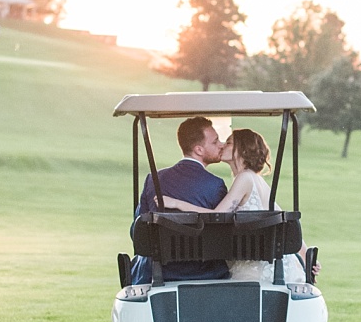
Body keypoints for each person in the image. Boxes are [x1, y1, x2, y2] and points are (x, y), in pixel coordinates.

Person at [158, 127, 317, 285]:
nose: (222, 145)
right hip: (259, 264)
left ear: (243, 149)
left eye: (228, 143)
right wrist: (306, 258)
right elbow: (285, 223)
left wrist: (176, 203)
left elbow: (215, 216)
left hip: (257, 271)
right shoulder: (253, 179)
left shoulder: (245, 178)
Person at [128, 116, 231, 284]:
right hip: (205, 273)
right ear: (199, 150)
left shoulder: (154, 179)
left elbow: (137, 232)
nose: (221, 144)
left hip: (158, 273)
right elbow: (221, 236)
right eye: (215, 141)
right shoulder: (215, 185)